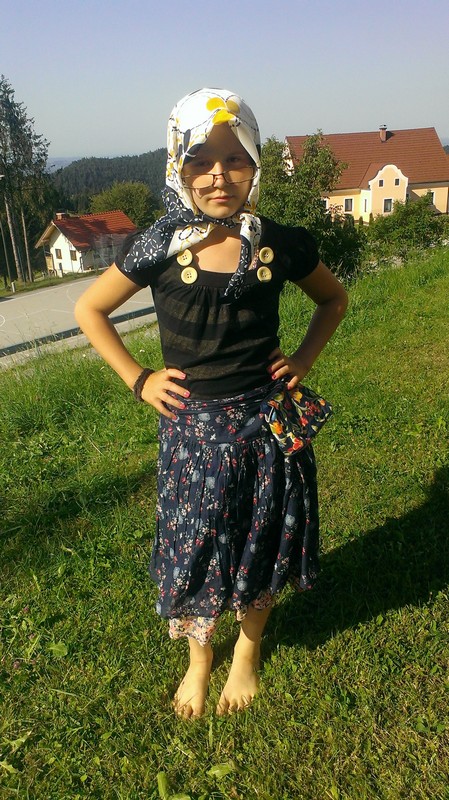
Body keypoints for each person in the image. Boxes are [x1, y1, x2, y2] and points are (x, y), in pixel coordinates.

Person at [75, 87, 348, 719]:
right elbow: (90, 309)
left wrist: (303, 360)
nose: (219, 175)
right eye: (201, 160)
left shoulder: (277, 242)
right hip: (193, 432)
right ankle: (200, 660)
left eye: (235, 158)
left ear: (255, 162)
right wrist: (139, 379)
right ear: (178, 164)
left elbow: (333, 299)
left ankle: (247, 651)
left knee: (264, 535)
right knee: (196, 545)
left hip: (268, 423)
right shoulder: (158, 246)